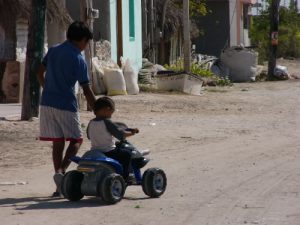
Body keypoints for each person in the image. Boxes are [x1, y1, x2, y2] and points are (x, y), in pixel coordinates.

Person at [37, 21, 96, 197]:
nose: (86, 47)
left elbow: (38, 71)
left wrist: (46, 87)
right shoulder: (78, 58)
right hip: (66, 104)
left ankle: (59, 186)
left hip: (46, 102)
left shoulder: (53, 50)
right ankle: (61, 172)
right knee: (76, 140)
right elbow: (86, 89)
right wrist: (96, 108)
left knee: (57, 142)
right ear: (83, 40)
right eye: (86, 42)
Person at [87, 97, 139, 180]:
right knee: (127, 154)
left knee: (118, 146)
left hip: (95, 150)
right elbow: (121, 134)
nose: (111, 115)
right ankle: (126, 175)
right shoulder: (107, 122)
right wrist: (132, 133)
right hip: (109, 151)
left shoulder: (91, 122)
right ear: (107, 109)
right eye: (111, 113)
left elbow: (89, 136)